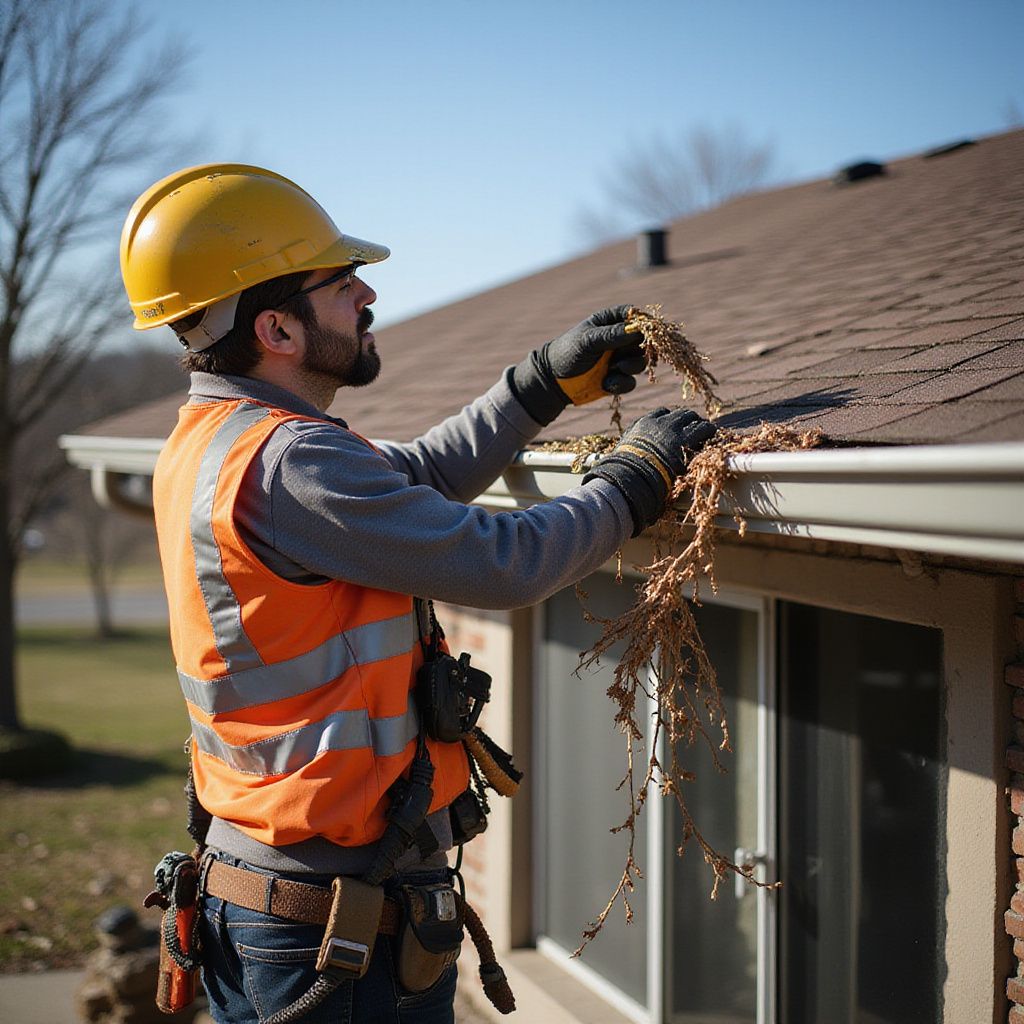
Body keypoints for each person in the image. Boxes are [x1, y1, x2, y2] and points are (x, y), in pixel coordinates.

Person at [120, 163, 716, 1024]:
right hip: (329, 925)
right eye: (339, 282)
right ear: (278, 326)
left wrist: (539, 385)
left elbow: (420, 477)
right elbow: (500, 561)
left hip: (266, 897)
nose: (365, 293)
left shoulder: (219, 441)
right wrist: (636, 480)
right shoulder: (290, 461)